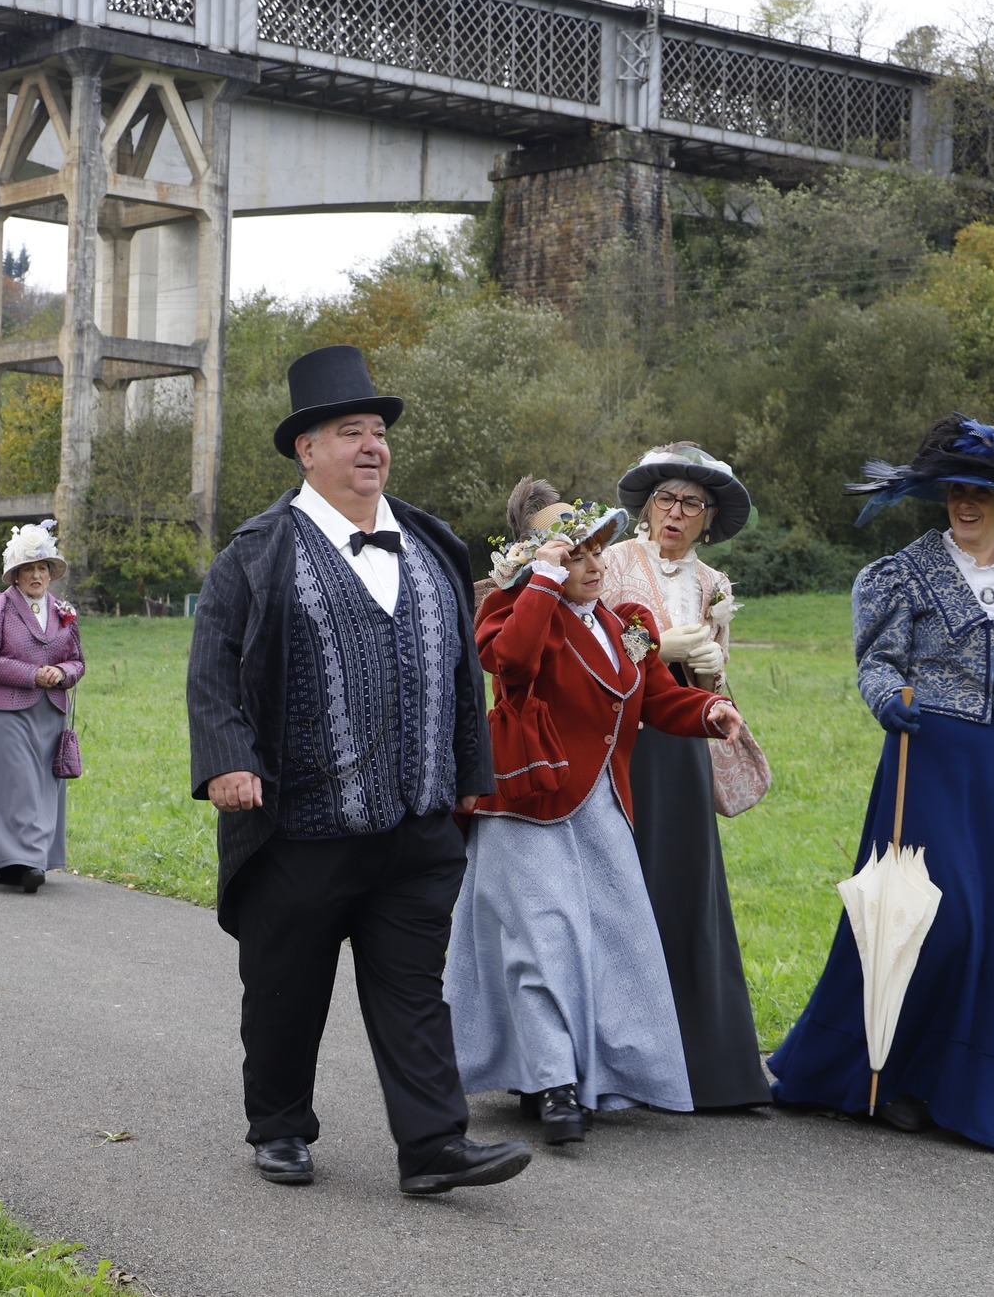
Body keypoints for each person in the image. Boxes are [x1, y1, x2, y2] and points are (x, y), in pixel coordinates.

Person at [186, 344, 530, 1196]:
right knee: (285, 990)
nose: (372, 446)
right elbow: (215, 669)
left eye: (378, 432)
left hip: (416, 824)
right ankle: (279, 1127)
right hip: (300, 825)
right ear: (308, 449)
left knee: (415, 994)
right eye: (351, 432)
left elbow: (461, 672)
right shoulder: (258, 551)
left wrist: (465, 776)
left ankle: (433, 1146)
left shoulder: (431, 545)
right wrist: (228, 762)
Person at [769, 415, 994, 1154]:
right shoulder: (906, 573)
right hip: (928, 767)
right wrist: (886, 697)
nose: (965, 502)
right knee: (936, 923)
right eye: (956, 489)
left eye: (981, 491)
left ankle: (980, 1088)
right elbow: (878, 662)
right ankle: (893, 1073)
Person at [446, 482, 748, 1145]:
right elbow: (513, 664)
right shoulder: (510, 611)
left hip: (603, 808)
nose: (592, 564)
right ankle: (553, 1087)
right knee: (543, 943)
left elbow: (658, 698)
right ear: (541, 559)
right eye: (575, 552)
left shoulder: (625, 622)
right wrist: (541, 582)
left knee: (615, 942)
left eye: (597, 549)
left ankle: (600, 1071)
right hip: (528, 806)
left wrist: (708, 711)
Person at [599, 444, 770, 1110]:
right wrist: (652, 647)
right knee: (623, 887)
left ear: (708, 518)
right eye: (666, 498)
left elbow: (715, 673)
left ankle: (706, 1067)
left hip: (683, 747)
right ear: (647, 506)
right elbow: (587, 641)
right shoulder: (612, 562)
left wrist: (704, 674)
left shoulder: (713, 585)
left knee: (685, 888)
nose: (675, 512)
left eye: (691, 504)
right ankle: (616, 1063)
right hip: (621, 743)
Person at [0, 519, 84, 894]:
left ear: (50, 574)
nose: (37, 575)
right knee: (14, 786)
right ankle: (27, 863)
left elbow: (78, 661)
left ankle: (18, 862)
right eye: (29, 569)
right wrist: (33, 674)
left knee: (43, 788)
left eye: (43, 568)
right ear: (15, 575)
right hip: (6, 709)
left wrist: (62, 673)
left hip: (51, 710)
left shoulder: (64, 610)